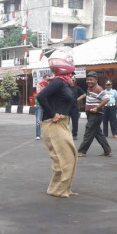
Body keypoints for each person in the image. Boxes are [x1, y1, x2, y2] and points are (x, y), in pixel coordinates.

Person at [37, 56, 77, 198]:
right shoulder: (58, 82)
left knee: (69, 156)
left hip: (63, 123)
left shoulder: (64, 84)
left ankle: (63, 188)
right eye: (72, 73)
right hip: (54, 124)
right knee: (62, 158)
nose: (73, 75)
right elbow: (41, 96)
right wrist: (52, 113)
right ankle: (57, 189)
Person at [77, 71, 112, 157]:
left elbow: (107, 99)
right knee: (97, 133)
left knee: (89, 131)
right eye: (88, 79)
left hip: (96, 114)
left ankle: (82, 151)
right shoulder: (90, 88)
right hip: (90, 113)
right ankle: (107, 150)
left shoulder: (98, 89)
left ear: (96, 80)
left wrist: (97, 108)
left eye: (91, 80)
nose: (89, 81)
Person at [69, 75, 85, 140]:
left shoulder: (77, 88)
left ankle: (74, 134)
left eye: (73, 80)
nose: (72, 81)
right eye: (71, 80)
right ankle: (66, 134)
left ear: (75, 81)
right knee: (65, 122)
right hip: (66, 107)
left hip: (74, 107)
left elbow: (84, 94)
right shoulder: (65, 87)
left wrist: (77, 99)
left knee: (75, 121)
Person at [35, 75, 49, 140]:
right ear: (43, 79)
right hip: (40, 104)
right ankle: (38, 135)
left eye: (48, 79)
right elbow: (39, 94)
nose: (47, 81)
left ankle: (47, 135)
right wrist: (44, 87)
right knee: (38, 120)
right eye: (46, 79)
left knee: (47, 120)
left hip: (47, 104)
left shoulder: (50, 85)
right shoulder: (39, 84)